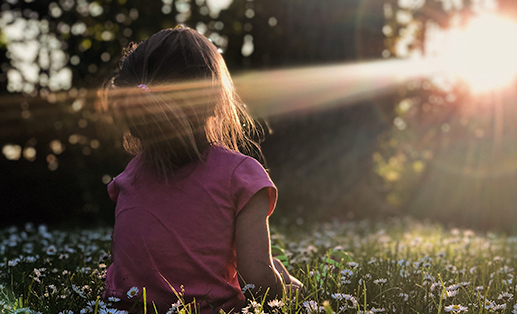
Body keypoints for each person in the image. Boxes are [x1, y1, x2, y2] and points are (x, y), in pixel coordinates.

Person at [100, 26, 302, 314]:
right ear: (213, 99)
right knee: (276, 272)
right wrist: (289, 288)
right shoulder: (241, 176)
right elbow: (257, 284)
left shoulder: (128, 177)